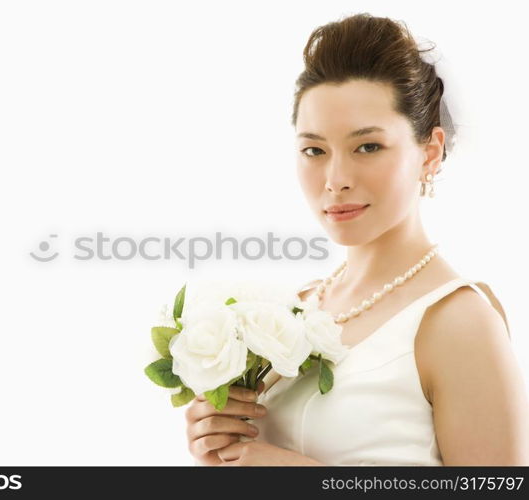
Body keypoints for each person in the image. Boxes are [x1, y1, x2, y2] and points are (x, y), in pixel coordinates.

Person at [184, 12, 529, 466]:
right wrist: (216, 444)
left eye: (367, 146)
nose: (336, 179)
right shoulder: (295, 309)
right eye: (314, 150)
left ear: (430, 152)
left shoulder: (458, 323)